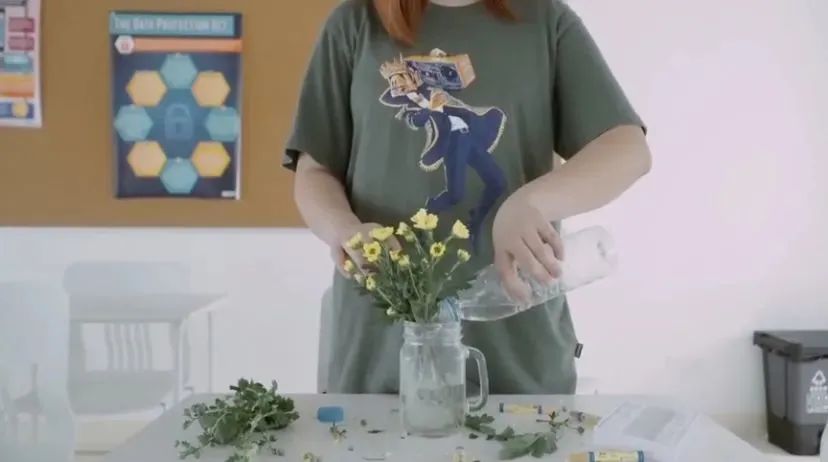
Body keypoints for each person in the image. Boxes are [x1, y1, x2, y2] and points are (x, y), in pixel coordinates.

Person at [283, 0, 652, 395]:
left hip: (517, 349)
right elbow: (315, 170)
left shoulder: (545, 20)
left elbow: (627, 149)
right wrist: (343, 230)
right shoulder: (356, 22)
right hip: (379, 354)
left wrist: (533, 202)